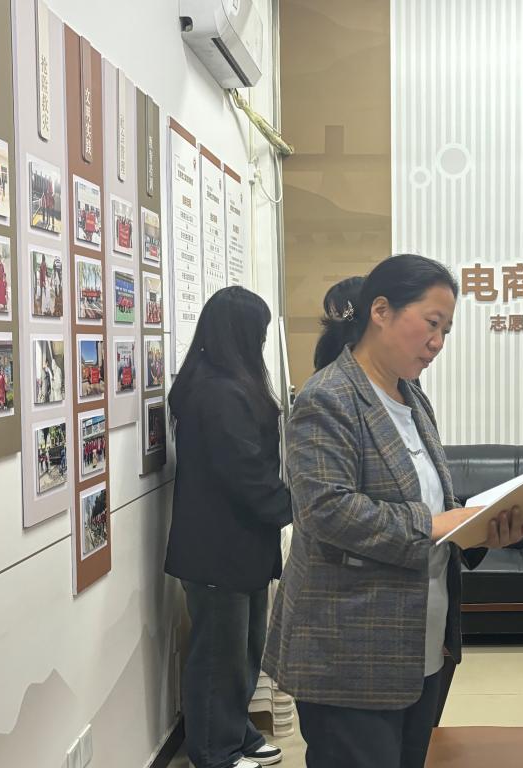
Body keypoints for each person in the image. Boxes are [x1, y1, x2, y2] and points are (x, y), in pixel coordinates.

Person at [263, 254, 523, 768]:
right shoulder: (328, 398)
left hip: (421, 646)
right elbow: (326, 510)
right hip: (350, 653)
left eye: (446, 330)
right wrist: (434, 525)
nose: (438, 342)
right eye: (431, 324)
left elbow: (433, 499)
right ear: (381, 311)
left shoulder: (412, 395)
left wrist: (480, 529)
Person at [165, 286, 293, 768]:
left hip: (242, 545)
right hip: (217, 547)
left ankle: (235, 732)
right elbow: (245, 472)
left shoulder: (230, 383)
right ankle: (214, 751)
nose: (261, 342)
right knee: (219, 654)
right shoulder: (217, 392)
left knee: (246, 650)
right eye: (258, 332)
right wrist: (294, 507)